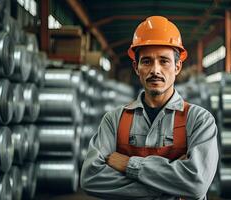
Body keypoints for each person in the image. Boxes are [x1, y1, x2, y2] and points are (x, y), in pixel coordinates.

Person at [81, 16, 219, 200]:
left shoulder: (199, 120)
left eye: (164, 61)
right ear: (136, 67)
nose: (155, 70)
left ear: (177, 66)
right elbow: (91, 178)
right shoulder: (114, 120)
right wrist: (171, 186)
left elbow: (196, 183)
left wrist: (129, 165)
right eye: (146, 61)